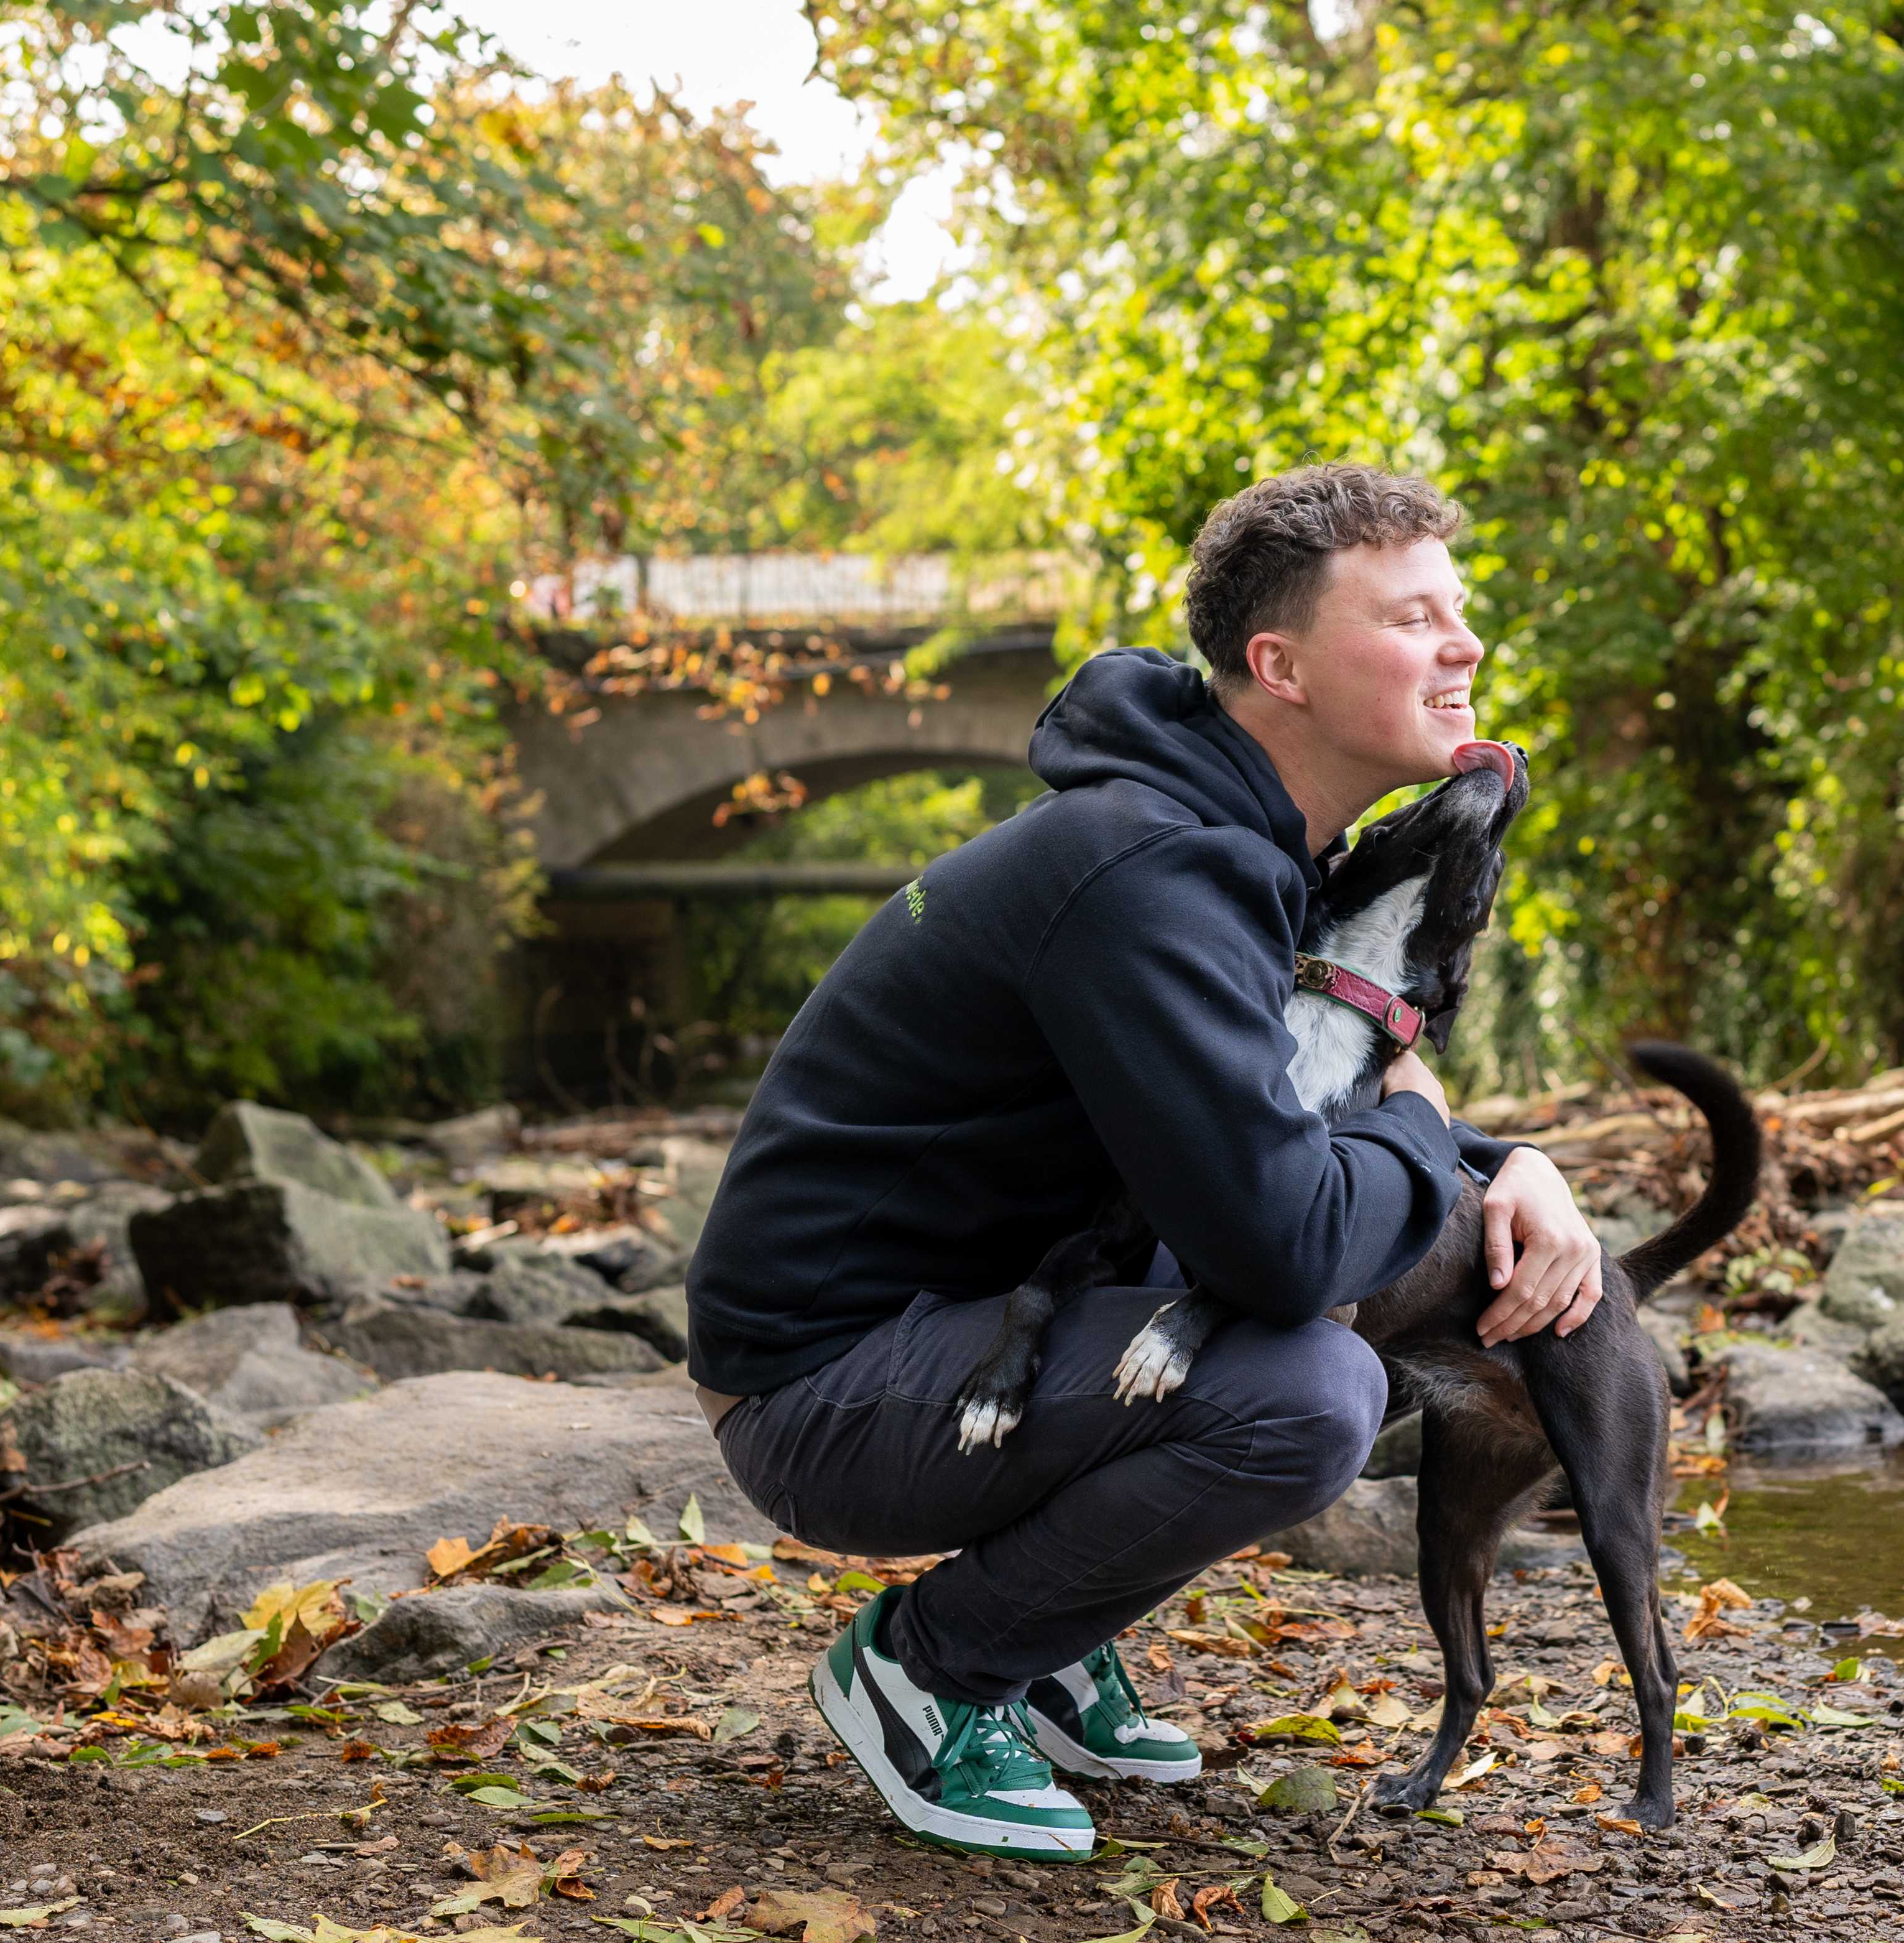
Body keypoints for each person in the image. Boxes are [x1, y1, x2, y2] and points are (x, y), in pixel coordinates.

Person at [686, 465, 1604, 1859]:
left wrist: (1499, 1153)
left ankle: (1044, 1640)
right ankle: (930, 1665)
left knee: (1275, 1311)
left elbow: (1260, 1093)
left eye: (1457, 612)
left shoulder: (1228, 845)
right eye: (1416, 616)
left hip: (955, 1333)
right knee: (1304, 1384)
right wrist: (1426, 1128)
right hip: (824, 1387)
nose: (1465, 644)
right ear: (1278, 664)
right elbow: (1284, 1241)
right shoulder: (1152, 873)